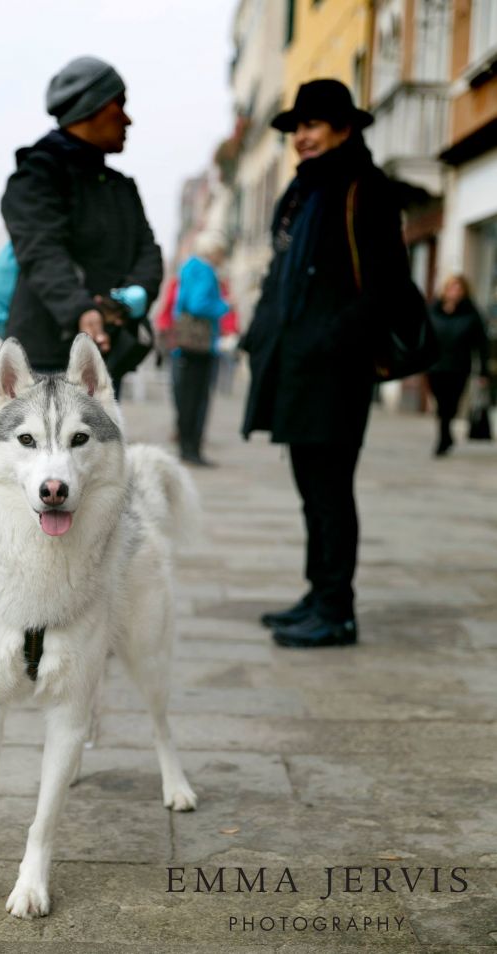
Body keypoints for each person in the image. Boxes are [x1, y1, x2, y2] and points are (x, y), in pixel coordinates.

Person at [242, 78, 419, 649]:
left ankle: (337, 609)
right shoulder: (303, 192)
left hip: (334, 369)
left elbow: (386, 283)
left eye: (313, 125)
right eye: (296, 128)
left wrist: (330, 342)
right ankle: (318, 593)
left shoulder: (365, 188)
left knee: (330, 491)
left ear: (345, 128)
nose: (302, 137)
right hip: (297, 367)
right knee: (310, 488)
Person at [0, 55, 163, 393]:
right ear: (95, 107)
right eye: (120, 105)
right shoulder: (36, 176)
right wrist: (81, 309)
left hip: (105, 353)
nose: (128, 120)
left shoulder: (122, 187)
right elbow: (40, 249)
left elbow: (149, 253)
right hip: (45, 359)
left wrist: (124, 300)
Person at [173, 232, 230, 467]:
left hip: (184, 346)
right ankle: (192, 450)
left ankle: (186, 447)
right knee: (197, 400)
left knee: (185, 398)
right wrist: (224, 306)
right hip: (200, 346)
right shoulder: (205, 271)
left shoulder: (188, 267)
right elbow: (199, 304)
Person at [427, 274, 489, 456]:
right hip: (435, 366)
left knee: (452, 403)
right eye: (452, 288)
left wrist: (484, 372)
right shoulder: (433, 310)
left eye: (458, 288)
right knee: (440, 403)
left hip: (459, 367)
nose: (455, 292)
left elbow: (481, 345)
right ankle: (445, 435)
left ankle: (444, 436)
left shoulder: (471, 313)